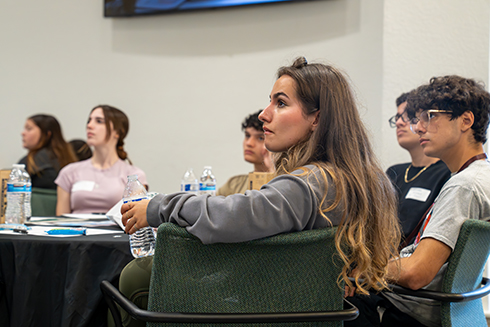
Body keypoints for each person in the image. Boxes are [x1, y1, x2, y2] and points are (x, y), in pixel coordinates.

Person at [121, 57, 401, 304]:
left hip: (272, 307)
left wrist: (158, 207)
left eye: (280, 103)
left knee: (135, 276)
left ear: (316, 118)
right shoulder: (371, 181)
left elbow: (230, 217)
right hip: (323, 308)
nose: (263, 114)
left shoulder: (307, 185)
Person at [346, 75, 490, 327]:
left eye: (430, 116)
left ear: (466, 120)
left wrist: (365, 271)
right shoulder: (480, 176)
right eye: (418, 118)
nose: (419, 127)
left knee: (330, 299)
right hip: (439, 308)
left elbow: (416, 273)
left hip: (409, 311)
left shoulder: (464, 186)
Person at [55, 105, 147, 215]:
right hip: (77, 231)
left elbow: (136, 219)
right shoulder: (69, 172)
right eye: (89, 121)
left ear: (118, 132)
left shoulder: (134, 176)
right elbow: (61, 219)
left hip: (116, 231)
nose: (89, 125)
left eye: (99, 121)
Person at [386, 92, 451, 246]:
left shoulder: (447, 172)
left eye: (407, 116)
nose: (400, 123)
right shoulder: (393, 172)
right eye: (397, 117)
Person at [216, 110, 274, 196]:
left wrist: (272, 171)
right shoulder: (233, 185)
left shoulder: (286, 183)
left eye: (260, 138)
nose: (249, 143)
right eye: (247, 136)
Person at [18, 114, 77, 190]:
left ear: (47, 134)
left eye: (29, 129)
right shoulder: (69, 158)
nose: (23, 133)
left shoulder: (31, 161)